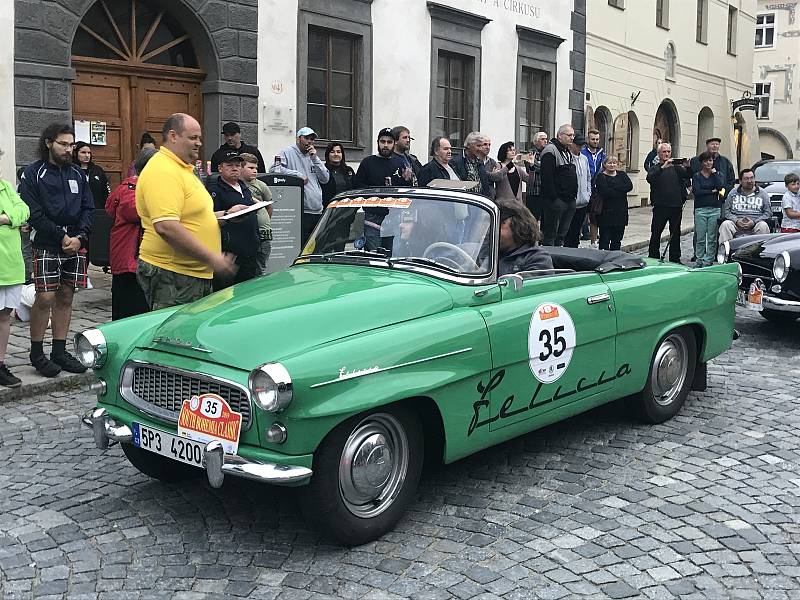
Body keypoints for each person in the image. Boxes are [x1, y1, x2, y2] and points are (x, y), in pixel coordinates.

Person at [136, 113, 237, 311]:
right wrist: (212, 258)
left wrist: (223, 215)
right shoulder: (163, 170)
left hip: (189, 274)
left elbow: (189, 216)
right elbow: (167, 226)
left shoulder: (182, 169)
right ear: (173, 136)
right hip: (173, 274)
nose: (198, 143)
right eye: (193, 138)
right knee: (175, 336)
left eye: (199, 138)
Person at [19, 123, 94, 377]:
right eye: (63, 144)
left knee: (66, 295)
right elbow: (33, 212)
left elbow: (87, 208)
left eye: (71, 144)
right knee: (45, 297)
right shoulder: (33, 173)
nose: (68, 149)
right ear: (49, 142)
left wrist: (80, 237)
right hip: (47, 243)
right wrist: (60, 235)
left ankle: (59, 351)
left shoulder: (77, 174)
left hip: (73, 245)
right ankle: (37, 352)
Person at [105, 148, 156, 320]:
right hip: (129, 260)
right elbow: (136, 211)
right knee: (130, 311)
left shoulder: (138, 187)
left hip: (132, 259)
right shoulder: (131, 189)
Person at [208, 151, 260, 288]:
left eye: (238, 165)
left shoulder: (244, 187)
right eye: (230, 165)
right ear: (220, 168)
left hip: (250, 251)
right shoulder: (215, 190)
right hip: (230, 255)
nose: (235, 168)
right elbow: (208, 219)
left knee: (247, 293)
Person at [270, 127, 330, 243]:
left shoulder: (312, 156)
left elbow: (325, 179)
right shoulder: (286, 152)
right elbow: (274, 170)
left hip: (317, 210)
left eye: (312, 139)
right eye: (306, 138)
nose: (309, 142)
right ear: (298, 139)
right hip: (300, 210)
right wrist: (296, 175)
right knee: (301, 245)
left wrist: (315, 159)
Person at [0, 168, 30, 387]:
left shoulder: (6, 187)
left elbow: (24, 210)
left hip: (10, 264)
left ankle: (0, 364)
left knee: (4, 316)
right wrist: (13, 220)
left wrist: (5, 218)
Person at [352, 128, 405, 250]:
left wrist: (406, 180)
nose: (385, 145)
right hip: (373, 217)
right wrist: (375, 193)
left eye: (389, 142)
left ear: (394, 144)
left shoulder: (400, 163)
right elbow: (358, 186)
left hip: (393, 217)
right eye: (383, 141)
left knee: (392, 256)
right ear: (377, 142)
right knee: (373, 255)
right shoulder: (367, 163)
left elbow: (405, 190)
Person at [646, 142, 689, 263]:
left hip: (676, 205)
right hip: (660, 205)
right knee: (656, 233)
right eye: (664, 152)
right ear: (659, 153)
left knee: (675, 234)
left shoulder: (676, 167)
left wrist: (688, 166)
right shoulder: (655, 167)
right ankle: (653, 257)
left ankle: (675, 258)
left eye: (668, 152)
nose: (666, 154)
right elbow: (650, 178)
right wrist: (662, 167)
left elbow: (687, 175)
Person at [539, 124, 578, 246]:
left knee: (562, 234)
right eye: (569, 135)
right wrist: (554, 199)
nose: (572, 138)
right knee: (551, 234)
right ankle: (548, 260)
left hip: (569, 199)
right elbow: (546, 177)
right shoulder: (550, 151)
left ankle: (559, 258)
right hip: (556, 201)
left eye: (573, 135)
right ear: (560, 136)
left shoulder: (567, 151)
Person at [496, 199, 554, 276]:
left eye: (501, 223)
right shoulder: (485, 252)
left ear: (518, 225)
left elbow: (531, 286)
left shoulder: (537, 258)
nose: (493, 229)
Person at [240, 152, 273, 275]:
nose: (254, 171)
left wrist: (265, 220)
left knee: (260, 267)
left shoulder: (261, 186)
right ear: (241, 168)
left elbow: (269, 206)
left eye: (256, 168)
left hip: (264, 233)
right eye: (251, 168)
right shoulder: (238, 185)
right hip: (248, 233)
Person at [718, 169, 772, 244]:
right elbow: (726, 211)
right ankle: (724, 252)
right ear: (740, 181)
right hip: (736, 225)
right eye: (746, 178)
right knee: (725, 224)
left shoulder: (763, 194)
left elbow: (768, 213)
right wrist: (736, 221)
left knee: (763, 225)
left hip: (755, 225)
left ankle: (759, 253)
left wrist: (754, 222)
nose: (750, 181)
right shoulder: (733, 193)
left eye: (752, 178)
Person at [691, 151, 725, 267]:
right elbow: (697, 192)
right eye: (706, 161)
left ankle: (709, 259)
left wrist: (714, 174)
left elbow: (720, 187)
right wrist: (711, 191)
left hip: (715, 209)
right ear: (702, 163)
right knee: (700, 236)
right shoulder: (696, 176)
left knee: (712, 237)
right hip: (700, 209)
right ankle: (699, 259)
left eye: (710, 160)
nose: (708, 163)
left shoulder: (718, 174)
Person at [594, 156, 633, 251]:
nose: (612, 165)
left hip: (620, 213)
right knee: (605, 239)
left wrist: (612, 188)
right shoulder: (601, 176)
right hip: (606, 214)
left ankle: (615, 258)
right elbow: (605, 191)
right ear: (605, 165)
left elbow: (629, 186)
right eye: (610, 163)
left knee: (617, 240)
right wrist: (620, 190)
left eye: (614, 163)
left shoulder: (622, 175)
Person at [564, 134, 592, 248]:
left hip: (583, 201)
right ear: (573, 145)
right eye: (578, 145)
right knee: (568, 230)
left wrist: (588, 194)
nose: (580, 148)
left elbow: (588, 178)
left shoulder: (584, 158)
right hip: (571, 201)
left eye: (582, 146)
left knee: (577, 230)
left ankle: (575, 249)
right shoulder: (568, 158)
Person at [581, 129, 606, 247]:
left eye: (597, 139)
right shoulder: (583, 153)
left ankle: (593, 243)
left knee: (594, 216)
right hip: (584, 187)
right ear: (588, 140)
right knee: (580, 215)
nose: (595, 141)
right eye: (593, 139)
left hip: (597, 189)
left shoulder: (601, 153)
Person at [450, 132, 492, 198]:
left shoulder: (479, 162)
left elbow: (484, 184)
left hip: (479, 202)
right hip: (465, 201)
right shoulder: (456, 162)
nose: (480, 149)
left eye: (481, 146)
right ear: (469, 145)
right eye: (478, 146)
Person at [72, 142, 110, 209]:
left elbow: (106, 192)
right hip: (77, 212)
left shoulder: (97, 170)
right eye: (83, 152)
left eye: (89, 153)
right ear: (75, 153)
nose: (87, 155)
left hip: (97, 210)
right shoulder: (71, 170)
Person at [524, 131, 548, 221]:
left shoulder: (548, 153)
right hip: (534, 191)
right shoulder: (529, 153)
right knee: (533, 219)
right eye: (542, 139)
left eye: (546, 139)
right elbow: (535, 168)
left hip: (545, 191)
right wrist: (546, 167)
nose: (545, 141)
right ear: (536, 141)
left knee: (545, 220)